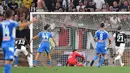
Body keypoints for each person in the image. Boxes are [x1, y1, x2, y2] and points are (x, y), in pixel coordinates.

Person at [0, 9, 37, 73]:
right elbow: (22, 25)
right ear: (11, 15)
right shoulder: (12, 23)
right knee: (9, 60)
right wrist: (32, 21)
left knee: (9, 60)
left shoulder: (1, 23)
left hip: (3, 44)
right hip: (9, 44)